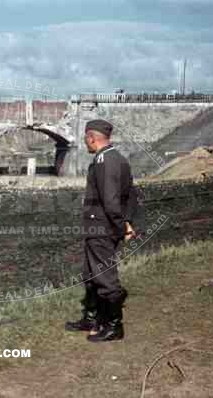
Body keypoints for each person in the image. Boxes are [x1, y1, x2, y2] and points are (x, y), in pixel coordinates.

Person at [65, 119, 135, 342]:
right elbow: (131, 195)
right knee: (91, 274)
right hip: (99, 226)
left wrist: (121, 225)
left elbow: (111, 200)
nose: (85, 142)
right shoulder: (117, 158)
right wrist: (127, 221)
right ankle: (93, 319)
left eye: (85, 138)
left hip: (102, 228)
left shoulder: (105, 160)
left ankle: (114, 326)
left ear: (91, 138)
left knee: (104, 277)